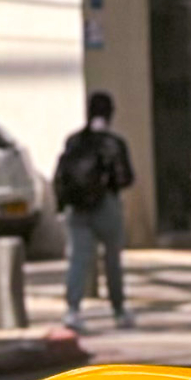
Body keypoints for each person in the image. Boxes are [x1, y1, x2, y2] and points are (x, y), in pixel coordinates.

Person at [54, 92, 136, 331]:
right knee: (112, 260)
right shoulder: (114, 143)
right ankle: (119, 311)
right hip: (107, 206)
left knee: (78, 259)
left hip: (77, 209)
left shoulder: (74, 141)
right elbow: (126, 178)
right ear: (110, 113)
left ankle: (73, 310)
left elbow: (63, 174)